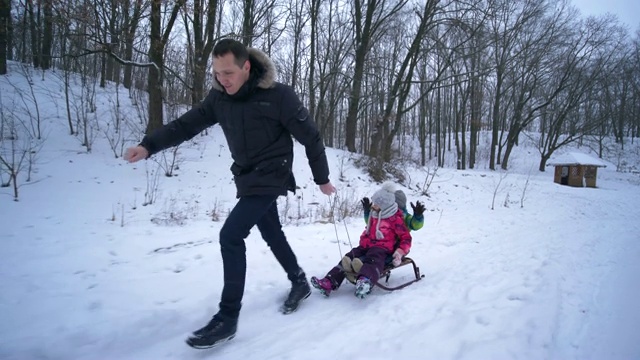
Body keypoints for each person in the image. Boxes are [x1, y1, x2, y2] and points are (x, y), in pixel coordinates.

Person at [124, 38, 336, 349]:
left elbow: (312, 136)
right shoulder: (218, 99)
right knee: (271, 232)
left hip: (274, 172)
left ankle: (228, 317)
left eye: (228, 73)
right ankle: (299, 281)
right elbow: (185, 125)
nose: (223, 80)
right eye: (217, 74)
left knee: (231, 235)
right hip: (248, 176)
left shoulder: (278, 96)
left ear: (246, 67)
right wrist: (148, 145)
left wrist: (322, 178)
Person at [310, 184, 411, 299]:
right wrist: (364, 240)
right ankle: (329, 281)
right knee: (348, 257)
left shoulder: (395, 219)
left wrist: (400, 252)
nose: (373, 206)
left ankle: (365, 281)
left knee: (373, 258)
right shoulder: (374, 215)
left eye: (376, 204)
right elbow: (368, 230)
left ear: (385, 205)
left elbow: (406, 238)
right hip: (366, 245)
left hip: (383, 249)